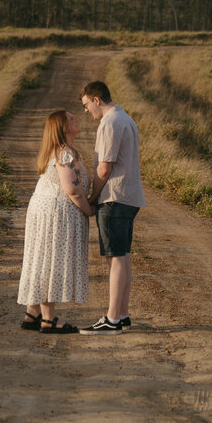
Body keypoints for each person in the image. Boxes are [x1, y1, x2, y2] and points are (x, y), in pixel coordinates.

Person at [17, 109, 96, 334]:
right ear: (62, 128)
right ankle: (49, 319)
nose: (76, 120)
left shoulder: (58, 151)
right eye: (71, 119)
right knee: (51, 260)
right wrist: (89, 210)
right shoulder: (63, 153)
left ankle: (33, 312)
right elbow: (73, 190)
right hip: (54, 214)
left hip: (43, 210)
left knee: (42, 258)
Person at [79, 81, 145, 335]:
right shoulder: (125, 117)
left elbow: (104, 168)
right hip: (128, 197)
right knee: (123, 257)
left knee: (115, 258)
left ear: (96, 99)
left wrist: (93, 196)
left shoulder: (109, 122)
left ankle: (112, 319)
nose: (86, 111)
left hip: (114, 197)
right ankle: (123, 314)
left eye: (86, 105)